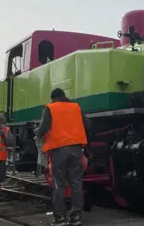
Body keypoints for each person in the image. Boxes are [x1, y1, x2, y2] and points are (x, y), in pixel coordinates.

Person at [34, 88, 90, 226]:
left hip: (59, 149)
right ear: (64, 97)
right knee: (76, 182)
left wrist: (36, 131)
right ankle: (76, 217)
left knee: (58, 183)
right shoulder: (76, 107)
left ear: (53, 98)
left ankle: (59, 218)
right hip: (77, 149)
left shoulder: (50, 108)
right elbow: (88, 125)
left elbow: (43, 128)